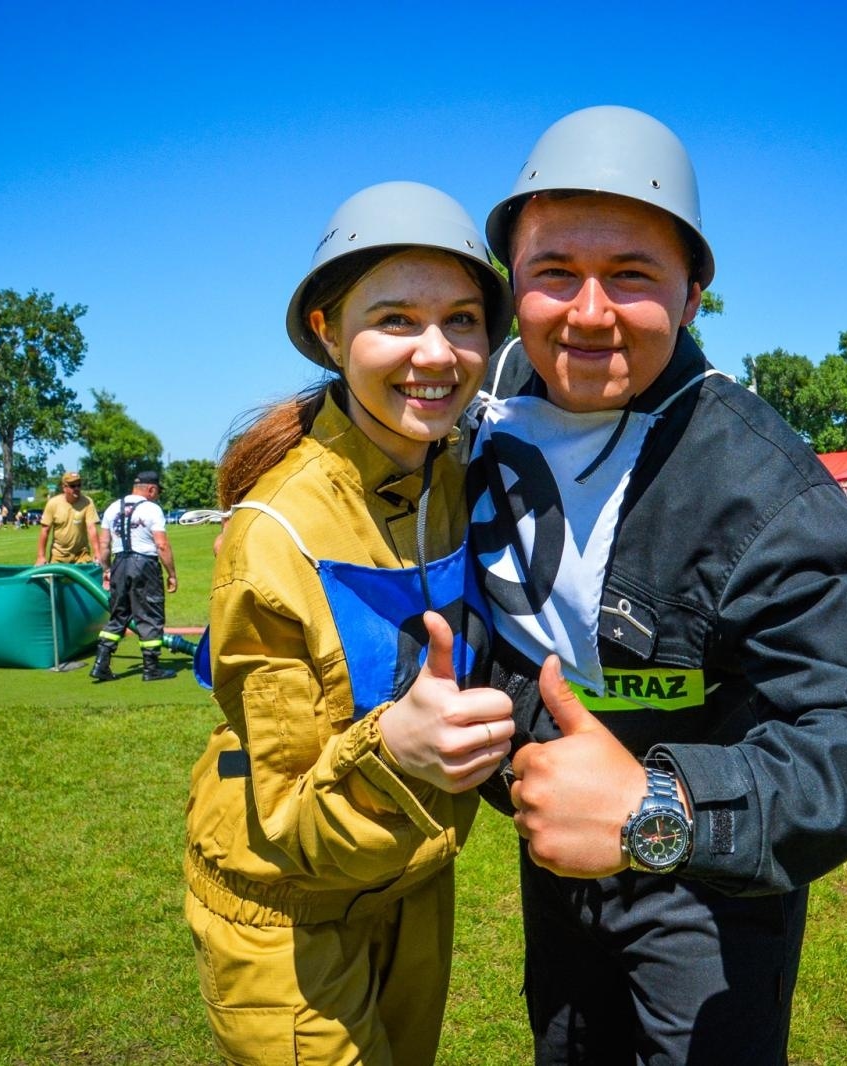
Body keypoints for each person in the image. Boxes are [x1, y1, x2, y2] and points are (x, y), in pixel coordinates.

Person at [470, 106, 847, 1065]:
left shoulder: (759, 480)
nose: (588, 313)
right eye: (554, 271)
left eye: (633, 275)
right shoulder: (480, 402)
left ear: (691, 295)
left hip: (705, 884)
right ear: (512, 283)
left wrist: (655, 809)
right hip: (554, 855)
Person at [182, 181, 517, 1065]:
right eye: (396, 320)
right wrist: (397, 748)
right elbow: (290, 816)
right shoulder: (274, 533)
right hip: (290, 918)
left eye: (464, 320)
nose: (436, 354)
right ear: (329, 333)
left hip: (412, 889)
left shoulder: (459, 474)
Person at [91, 470, 177, 682]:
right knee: (150, 615)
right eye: (156, 492)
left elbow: (104, 545)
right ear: (151, 489)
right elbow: (161, 544)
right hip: (144, 565)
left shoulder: (112, 508)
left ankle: (101, 663)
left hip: (119, 563)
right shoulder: (152, 509)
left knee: (118, 615)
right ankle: (151, 668)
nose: (157, 496)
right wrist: (172, 574)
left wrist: (106, 570)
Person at [35, 472, 99, 564]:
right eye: (73, 486)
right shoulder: (53, 503)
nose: (77, 488)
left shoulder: (87, 502)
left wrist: (97, 552)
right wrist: (41, 557)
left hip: (81, 555)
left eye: (79, 485)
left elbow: (91, 528)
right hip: (59, 556)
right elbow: (45, 530)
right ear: (64, 487)